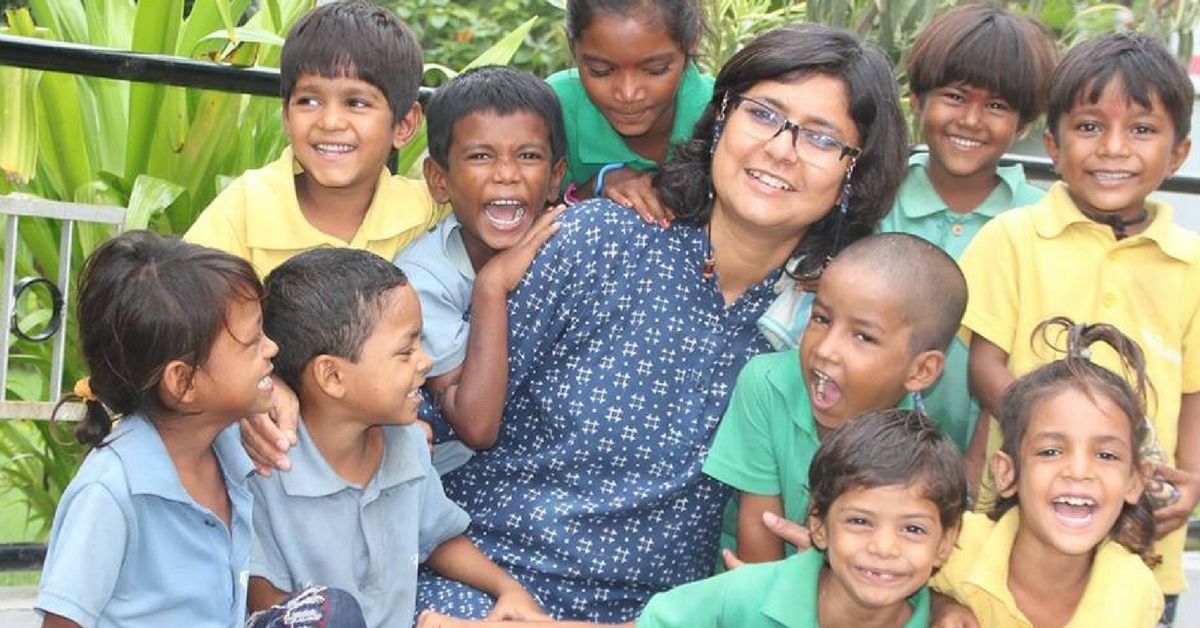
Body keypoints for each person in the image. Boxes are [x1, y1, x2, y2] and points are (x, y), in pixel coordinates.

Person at [244, 21, 906, 622]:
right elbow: (421, 412)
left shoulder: (833, 317)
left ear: (855, 172)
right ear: (722, 120)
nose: (782, 150)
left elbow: (901, 483)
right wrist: (274, 391)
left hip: (659, 613)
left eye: (821, 137)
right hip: (485, 585)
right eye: (763, 115)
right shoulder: (598, 243)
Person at [957, 32, 1199, 624]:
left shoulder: (1192, 265)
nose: (1113, 148)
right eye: (1090, 126)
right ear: (1053, 145)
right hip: (1011, 536)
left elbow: (1194, 394)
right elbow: (984, 367)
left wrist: (1190, 480)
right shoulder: (1012, 239)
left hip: (1140, 543)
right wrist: (1063, 435)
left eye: (1142, 129)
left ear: (1178, 154)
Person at [35, 231, 364, 628]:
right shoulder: (110, 491)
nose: (271, 348)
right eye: (252, 341)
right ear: (183, 383)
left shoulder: (230, 448)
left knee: (331, 613)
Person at [415, 408, 967, 628]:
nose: (885, 548)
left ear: (946, 545)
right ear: (818, 524)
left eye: (913, 529)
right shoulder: (749, 595)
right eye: (861, 522)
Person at [249, 248, 546, 628]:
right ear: (332, 377)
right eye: (405, 351)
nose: (424, 362)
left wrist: (508, 589)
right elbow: (269, 606)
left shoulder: (404, 441)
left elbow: (438, 538)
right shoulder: (267, 469)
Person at [703, 232, 967, 564]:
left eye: (863, 336)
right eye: (821, 319)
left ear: (921, 372)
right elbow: (760, 529)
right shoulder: (767, 383)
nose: (826, 350)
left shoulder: (919, 454)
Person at [875, 3, 1056, 451]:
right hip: (869, 458)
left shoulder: (1044, 222)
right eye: (955, 96)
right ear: (917, 99)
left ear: (1024, 124)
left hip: (993, 463)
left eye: (996, 105)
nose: (971, 120)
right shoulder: (874, 197)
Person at [185, 0, 446, 278]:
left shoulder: (427, 210)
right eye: (309, 101)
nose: (330, 122)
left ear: (404, 125)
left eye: (356, 103)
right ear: (286, 115)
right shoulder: (247, 207)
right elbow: (184, 302)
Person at [932, 318, 1163, 627]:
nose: (1079, 471)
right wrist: (938, 606)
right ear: (1007, 473)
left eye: (1106, 455)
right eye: (1050, 451)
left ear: (1134, 482)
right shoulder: (954, 545)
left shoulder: (1134, 590)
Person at [395, 65, 567, 474]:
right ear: (439, 179)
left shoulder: (570, 243)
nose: (506, 174)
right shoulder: (422, 279)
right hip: (457, 478)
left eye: (528, 156)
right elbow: (476, 426)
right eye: (480, 156)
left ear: (555, 176)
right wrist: (490, 287)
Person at [550, 0, 713, 225]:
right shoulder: (555, 109)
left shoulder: (722, 113)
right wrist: (598, 184)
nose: (628, 94)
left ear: (690, 43)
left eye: (655, 70)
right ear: (573, 46)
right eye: (601, 71)